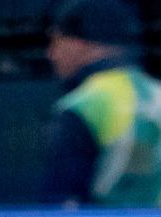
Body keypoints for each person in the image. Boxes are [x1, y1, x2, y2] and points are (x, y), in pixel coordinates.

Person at [38, 0, 161, 206]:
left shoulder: (84, 105)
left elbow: (62, 204)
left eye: (56, 41)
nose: (51, 54)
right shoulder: (157, 94)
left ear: (80, 43)